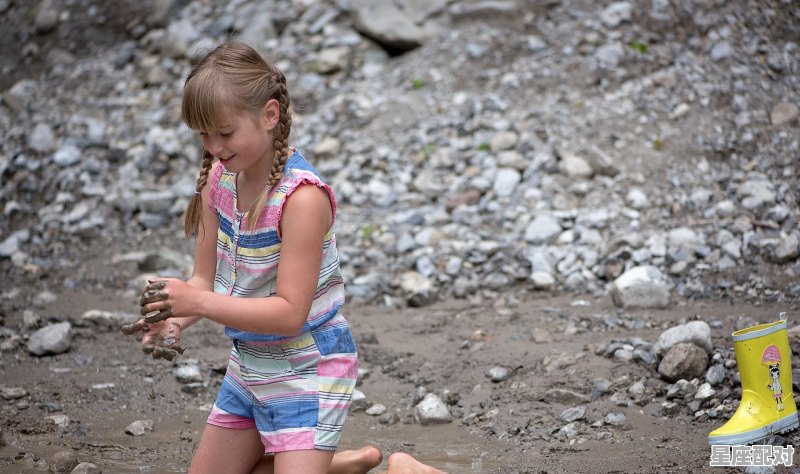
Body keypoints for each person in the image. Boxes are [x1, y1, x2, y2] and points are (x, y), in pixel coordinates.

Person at [123, 41, 446, 474]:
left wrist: (197, 303)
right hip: (251, 367)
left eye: (224, 132)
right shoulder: (217, 182)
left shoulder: (302, 198)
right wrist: (175, 317)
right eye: (202, 134)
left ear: (269, 115)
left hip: (308, 368)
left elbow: (291, 313)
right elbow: (202, 281)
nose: (213, 146)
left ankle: (403, 470)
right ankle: (326, 466)